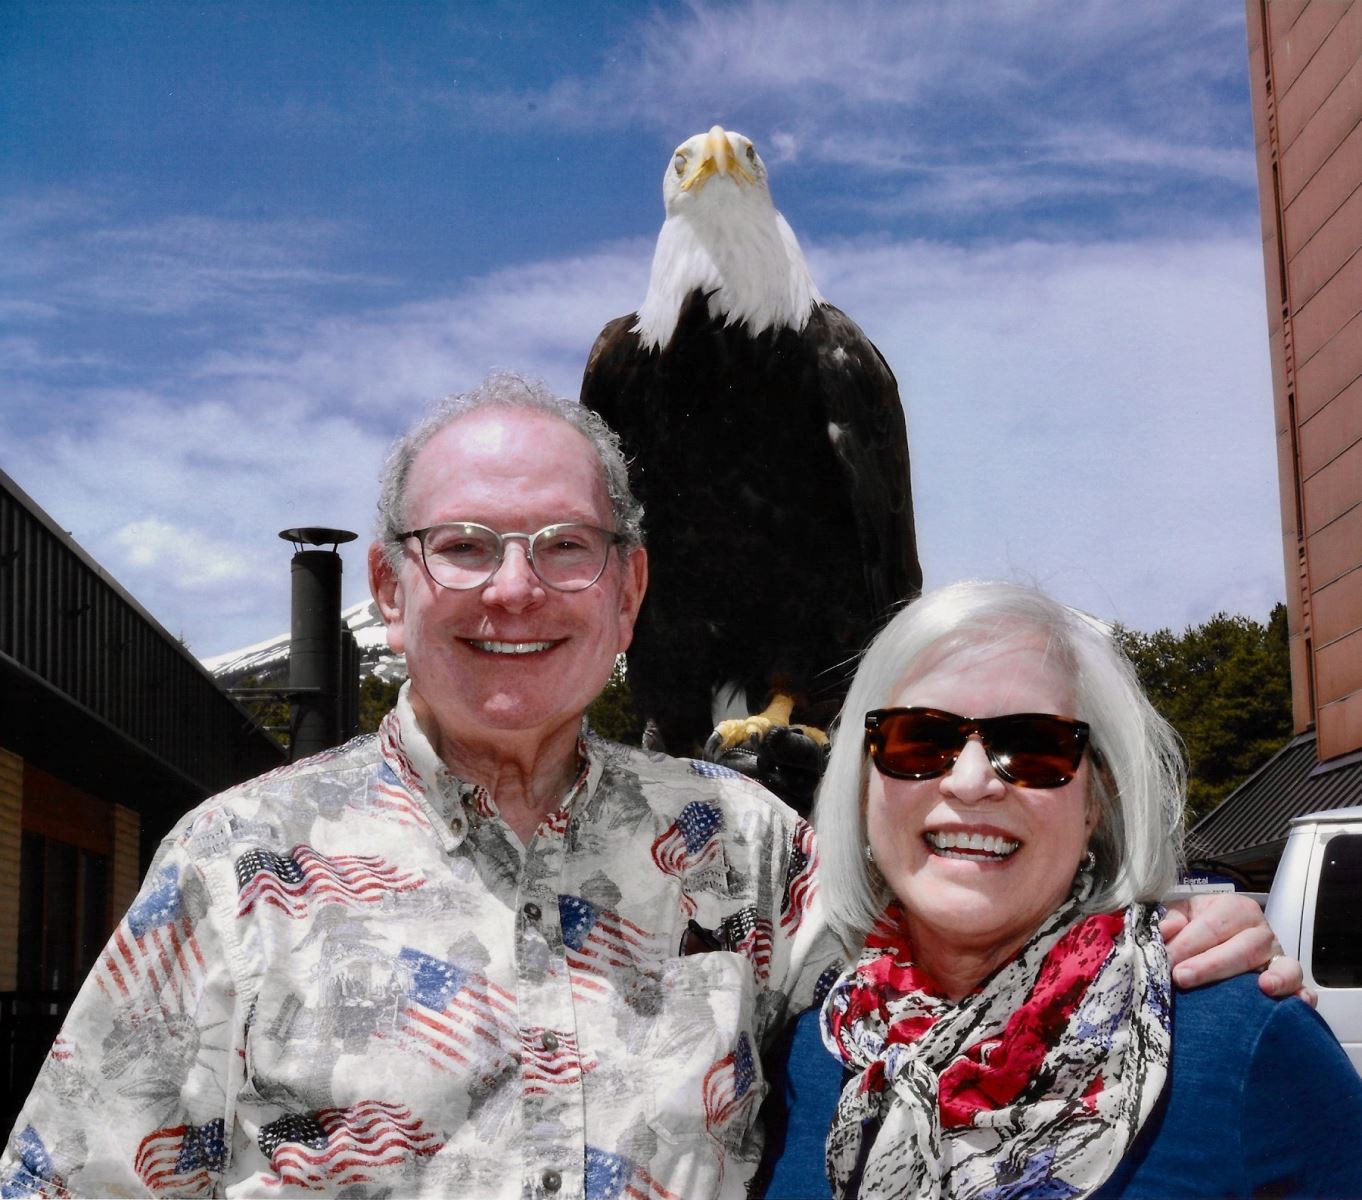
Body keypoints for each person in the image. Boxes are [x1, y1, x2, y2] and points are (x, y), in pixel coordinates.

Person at [1, 376, 1302, 1199]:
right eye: (463, 548)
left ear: (627, 595)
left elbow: (957, 939)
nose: (515, 588)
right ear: (390, 592)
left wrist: (1150, 924)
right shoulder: (232, 863)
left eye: (565, 549)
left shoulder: (735, 844)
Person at [764, 580, 1362, 1200]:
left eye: (1033, 746)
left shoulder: (1246, 1044)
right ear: (864, 789)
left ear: (1092, 806)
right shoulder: (802, 1056)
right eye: (920, 740)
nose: (971, 782)